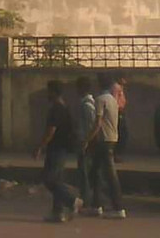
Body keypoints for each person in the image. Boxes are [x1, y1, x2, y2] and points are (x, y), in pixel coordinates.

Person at [33, 80, 81, 222]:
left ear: (53, 92)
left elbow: (51, 131)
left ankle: (72, 200)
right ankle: (57, 212)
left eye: (49, 91)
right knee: (57, 179)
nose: (47, 94)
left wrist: (39, 147)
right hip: (61, 148)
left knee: (49, 179)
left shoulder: (56, 109)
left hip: (57, 149)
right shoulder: (64, 107)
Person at [83, 73, 126, 218]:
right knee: (96, 172)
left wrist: (88, 139)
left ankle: (118, 208)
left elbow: (98, 122)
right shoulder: (113, 100)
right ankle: (97, 205)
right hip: (112, 138)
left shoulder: (100, 100)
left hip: (103, 140)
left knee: (109, 174)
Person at [73, 76, 96, 207]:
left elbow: (92, 124)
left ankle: (87, 200)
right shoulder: (85, 103)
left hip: (85, 142)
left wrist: (87, 141)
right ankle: (86, 198)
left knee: (85, 172)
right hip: (83, 140)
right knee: (84, 172)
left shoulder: (87, 105)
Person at [112, 76, 129, 160]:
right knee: (120, 132)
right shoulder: (116, 87)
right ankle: (115, 154)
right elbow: (115, 100)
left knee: (122, 133)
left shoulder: (120, 87)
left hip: (120, 111)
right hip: (118, 112)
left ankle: (117, 153)